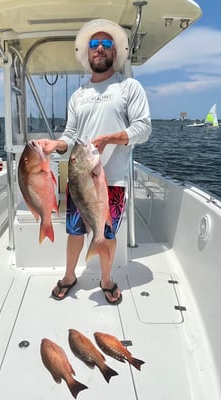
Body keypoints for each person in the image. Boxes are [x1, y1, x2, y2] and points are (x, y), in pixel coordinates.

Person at [38, 19, 151, 304]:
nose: (99, 48)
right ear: (88, 53)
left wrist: (109, 138)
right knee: (75, 231)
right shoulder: (78, 95)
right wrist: (56, 144)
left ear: (115, 52)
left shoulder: (129, 87)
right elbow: (71, 135)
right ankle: (69, 275)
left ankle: (105, 279)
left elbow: (143, 129)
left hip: (112, 180)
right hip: (79, 177)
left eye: (106, 44)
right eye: (94, 44)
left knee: (106, 232)